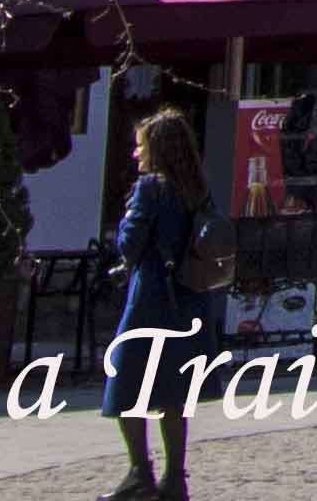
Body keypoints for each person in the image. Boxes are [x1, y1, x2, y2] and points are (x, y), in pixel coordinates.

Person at [103, 102, 208, 500]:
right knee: (172, 394)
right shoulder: (196, 187)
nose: (136, 153)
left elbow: (129, 247)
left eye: (141, 145)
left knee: (125, 383)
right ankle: (174, 477)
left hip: (150, 300)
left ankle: (138, 473)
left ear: (158, 149)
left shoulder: (150, 188)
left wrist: (127, 220)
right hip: (188, 300)